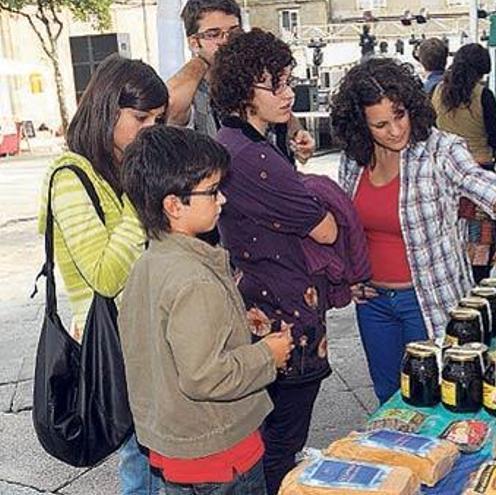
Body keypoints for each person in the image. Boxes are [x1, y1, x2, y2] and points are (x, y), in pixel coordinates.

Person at [330, 58, 496, 404]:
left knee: (435, 396)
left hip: (428, 300)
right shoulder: (353, 159)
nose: (395, 130)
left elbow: (487, 187)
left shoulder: (439, 149)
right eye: (380, 124)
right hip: (373, 304)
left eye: (400, 115)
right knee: (387, 399)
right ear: (361, 125)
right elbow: (347, 224)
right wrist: (348, 274)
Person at [118, 125, 293, 495]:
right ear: (173, 205)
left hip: (179, 445)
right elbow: (205, 376)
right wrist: (267, 355)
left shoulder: (149, 263)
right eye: (212, 192)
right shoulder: (192, 279)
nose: (223, 200)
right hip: (220, 452)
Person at [210, 29, 339, 495]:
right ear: (246, 91)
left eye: (288, 81)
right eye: (275, 85)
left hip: (260, 305)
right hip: (287, 318)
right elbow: (325, 229)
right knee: (280, 446)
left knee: (269, 441)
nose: (288, 94)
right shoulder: (253, 157)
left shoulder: (238, 142)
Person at [36, 55, 166, 494]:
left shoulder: (117, 165)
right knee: (138, 458)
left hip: (146, 333)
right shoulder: (71, 177)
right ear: (108, 108)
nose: (150, 128)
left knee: (156, 454)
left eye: (157, 119)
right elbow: (106, 275)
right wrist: (138, 192)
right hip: (112, 342)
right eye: (141, 117)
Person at [166, 0, 314, 158]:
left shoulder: (253, 75)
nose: (226, 41)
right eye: (213, 34)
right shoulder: (193, 91)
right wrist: (200, 61)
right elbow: (171, 104)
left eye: (234, 32)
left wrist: (298, 134)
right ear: (194, 42)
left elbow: (284, 116)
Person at [431, 43, 496, 283]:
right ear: (483, 69)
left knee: (450, 234)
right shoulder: (483, 95)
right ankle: (478, 290)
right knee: (481, 243)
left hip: (444, 176)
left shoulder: (438, 92)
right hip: (478, 175)